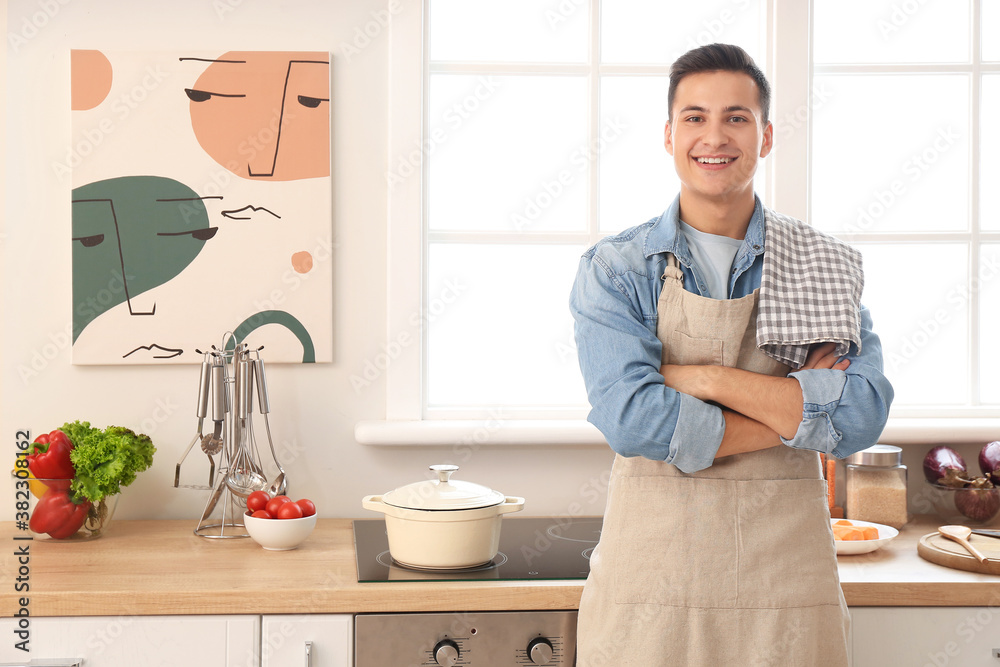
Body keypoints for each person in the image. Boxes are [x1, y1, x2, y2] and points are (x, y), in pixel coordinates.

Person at [569, 43, 893, 666]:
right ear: (668, 135)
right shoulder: (619, 268)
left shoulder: (818, 265)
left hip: (787, 588)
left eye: (736, 117)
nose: (714, 136)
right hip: (651, 590)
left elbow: (857, 420)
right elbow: (636, 421)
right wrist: (797, 413)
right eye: (694, 117)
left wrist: (707, 379)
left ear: (766, 135)